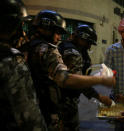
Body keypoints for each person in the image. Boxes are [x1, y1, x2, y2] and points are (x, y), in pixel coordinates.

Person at [26, 10, 115, 131]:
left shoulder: (29, 45)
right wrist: (101, 82)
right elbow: (71, 80)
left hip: (36, 105)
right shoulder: (60, 52)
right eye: (57, 33)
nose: (58, 37)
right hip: (59, 104)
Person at [0, 0, 48, 130]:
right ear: (11, 26)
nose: (23, 33)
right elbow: (29, 115)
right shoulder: (11, 60)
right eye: (20, 25)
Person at [58, 24, 112, 130]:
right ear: (82, 39)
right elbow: (78, 81)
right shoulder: (73, 54)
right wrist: (99, 96)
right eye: (88, 43)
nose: (89, 47)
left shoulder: (65, 46)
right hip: (65, 100)